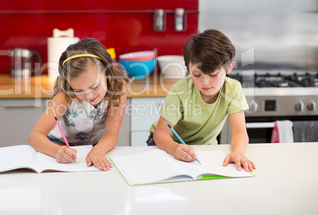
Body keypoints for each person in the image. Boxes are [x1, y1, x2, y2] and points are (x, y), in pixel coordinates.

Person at [147, 29, 256, 172]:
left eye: (212, 74)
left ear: (229, 67)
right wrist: (174, 148)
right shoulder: (180, 91)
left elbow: (239, 132)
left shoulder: (233, 89)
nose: (205, 82)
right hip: (168, 145)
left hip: (205, 148)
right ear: (188, 69)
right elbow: (160, 133)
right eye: (197, 74)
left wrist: (238, 152)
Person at [29, 38, 129, 171]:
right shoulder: (65, 95)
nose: (88, 96)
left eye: (94, 86)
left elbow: (111, 132)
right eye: (78, 90)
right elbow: (35, 135)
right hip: (60, 148)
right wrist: (56, 151)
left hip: (96, 147)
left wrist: (98, 150)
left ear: (107, 72)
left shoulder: (118, 87)